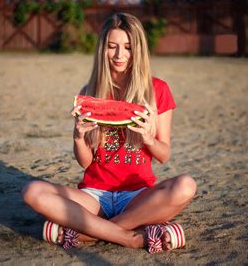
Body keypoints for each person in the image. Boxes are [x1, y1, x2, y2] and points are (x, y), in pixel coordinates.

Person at [22, 13, 196, 253]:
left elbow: (164, 154)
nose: (119, 55)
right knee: (32, 192)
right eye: (112, 47)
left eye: (127, 47)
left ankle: (87, 233)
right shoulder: (90, 91)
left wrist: (147, 138)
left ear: (138, 50)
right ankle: (132, 237)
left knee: (186, 185)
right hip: (94, 196)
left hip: (138, 195)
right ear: (103, 49)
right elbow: (86, 163)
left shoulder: (158, 90)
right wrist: (78, 137)